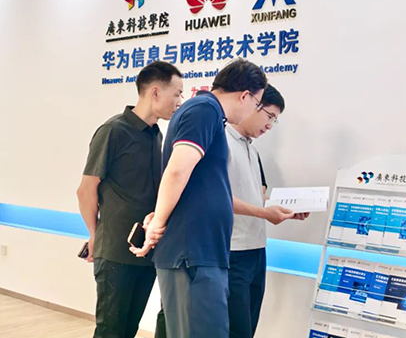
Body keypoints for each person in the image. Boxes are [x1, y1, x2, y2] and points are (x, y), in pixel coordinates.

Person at [131, 59, 268, 338]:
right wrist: (158, 222)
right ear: (245, 95)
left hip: (203, 252)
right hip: (191, 254)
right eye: (257, 104)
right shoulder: (204, 110)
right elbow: (177, 170)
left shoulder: (209, 113)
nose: (254, 111)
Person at [76, 61, 183, 338]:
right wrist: (95, 235)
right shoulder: (114, 130)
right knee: (110, 331)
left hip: (145, 252)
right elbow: (86, 190)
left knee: (128, 330)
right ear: (155, 92)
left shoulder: (157, 135)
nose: (179, 101)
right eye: (177, 94)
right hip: (114, 253)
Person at [226, 84, 309, 338]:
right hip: (232, 251)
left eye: (275, 120)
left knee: (249, 326)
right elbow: (218, 197)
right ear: (253, 104)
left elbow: (253, 196)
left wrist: (285, 210)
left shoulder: (251, 148)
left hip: (256, 249)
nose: (270, 126)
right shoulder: (221, 142)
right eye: (269, 116)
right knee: (234, 329)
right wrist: (265, 213)